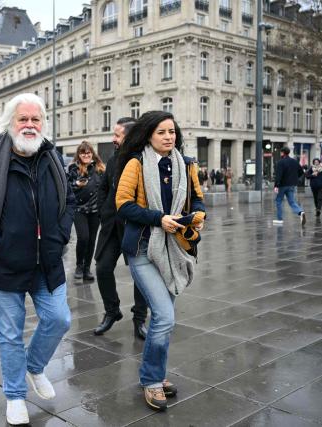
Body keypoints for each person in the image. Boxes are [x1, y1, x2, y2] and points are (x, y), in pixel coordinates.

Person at [0, 93, 74, 425]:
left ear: (43, 123)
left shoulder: (52, 156)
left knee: (59, 319)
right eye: (22, 119)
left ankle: (34, 367)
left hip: (48, 262)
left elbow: (68, 203)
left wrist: (61, 236)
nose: (29, 125)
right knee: (10, 336)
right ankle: (15, 396)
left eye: (35, 119)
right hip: (6, 264)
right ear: (10, 122)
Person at [116, 111, 205, 411]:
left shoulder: (186, 163)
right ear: (148, 136)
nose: (169, 137)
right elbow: (123, 204)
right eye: (162, 132)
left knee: (162, 320)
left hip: (174, 249)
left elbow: (197, 197)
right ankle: (152, 380)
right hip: (142, 249)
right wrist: (158, 219)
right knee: (165, 317)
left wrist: (200, 216)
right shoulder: (136, 164)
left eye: (172, 132)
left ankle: (156, 373)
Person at [93, 117, 148, 339]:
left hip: (134, 227)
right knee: (102, 268)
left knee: (141, 274)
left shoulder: (143, 160)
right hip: (110, 226)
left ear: (130, 137)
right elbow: (104, 187)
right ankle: (112, 311)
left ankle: (139, 319)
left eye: (117, 135)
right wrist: (103, 212)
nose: (113, 139)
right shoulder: (114, 158)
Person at [67, 141, 104, 281]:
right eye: (83, 153)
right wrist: (76, 184)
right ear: (79, 154)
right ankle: (79, 265)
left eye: (88, 153)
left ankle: (87, 268)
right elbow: (66, 187)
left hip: (95, 211)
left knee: (92, 240)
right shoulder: (73, 168)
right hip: (79, 209)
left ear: (92, 154)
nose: (86, 155)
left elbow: (104, 188)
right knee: (83, 238)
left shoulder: (99, 168)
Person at [273, 147, 306, 226]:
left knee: (278, 201)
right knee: (292, 201)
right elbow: (301, 172)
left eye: (281, 152)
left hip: (282, 185)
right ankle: (300, 212)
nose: (280, 154)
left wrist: (276, 185)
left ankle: (280, 219)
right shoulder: (294, 161)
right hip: (292, 185)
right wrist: (294, 179)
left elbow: (279, 175)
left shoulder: (280, 162)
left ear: (283, 153)